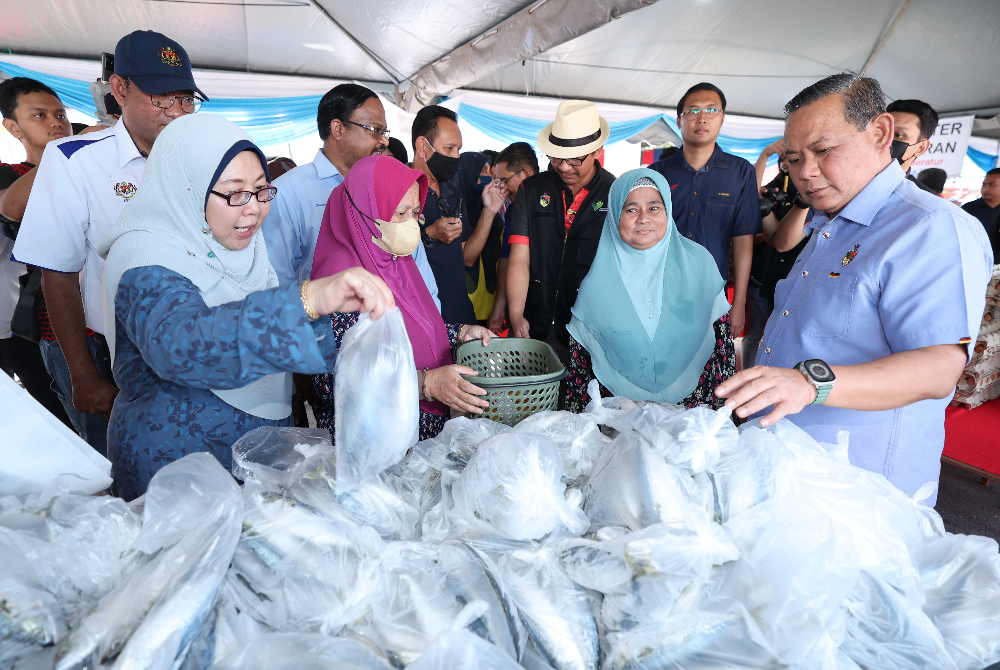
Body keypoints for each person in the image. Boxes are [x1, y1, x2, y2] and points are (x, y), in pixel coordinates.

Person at [717, 72, 992, 504]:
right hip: (788, 472)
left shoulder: (929, 228)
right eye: (793, 158)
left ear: (881, 133)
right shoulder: (829, 224)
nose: (806, 172)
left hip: (859, 493)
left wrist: (809, 384)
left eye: (823, 150)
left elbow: (940, 368)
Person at [96, 113, 393, 501]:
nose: (253, 209)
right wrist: (309, 298)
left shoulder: (244, 247)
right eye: (235, 193)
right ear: (185, 189)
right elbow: (183, 346)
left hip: (256, 457)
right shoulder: (144, 257)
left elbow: (275, 338)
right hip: (177, 468)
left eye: (261, 190)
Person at [12, 31, 206, 456]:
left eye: (187, 99)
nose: (177, 111)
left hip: (194, 346)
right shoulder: (75, 161)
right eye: (162, 97)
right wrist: (83, 375)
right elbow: (57, 272)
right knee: (121, 468)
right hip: (114, 356)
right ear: (120, 89)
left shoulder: (205, 158)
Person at [309, 154, 495, 441]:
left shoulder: (395, 260)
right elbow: (335, 382)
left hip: (420, 434)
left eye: (414, 213)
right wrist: (426, 384)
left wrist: (458, 333)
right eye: (400, 213)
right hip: (371, 442)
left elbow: (411, 328)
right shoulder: (339, 282)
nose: (411, 224)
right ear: (364, 211)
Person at [564, 169, 734, 413]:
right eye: (631, 209)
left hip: (696, 419)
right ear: (614, 216)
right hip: (621, 425)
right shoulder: (595, 286)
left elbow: (723, 352)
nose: (643, 218)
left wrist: (725, 418)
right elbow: (581, 376)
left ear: (668, 212)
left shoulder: (701, 265)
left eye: (654, 208)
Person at [648, 83, 761, 340]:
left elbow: (743, 241)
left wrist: (739, 302)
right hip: (660, 293)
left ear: (722, 118)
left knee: (709, 374)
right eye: (693, 111)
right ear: (679, 120)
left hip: (713, 298)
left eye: (711, 110)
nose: (701, 118)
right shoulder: (657, 173)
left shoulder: (741, 173)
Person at [506, 100, 615, 363]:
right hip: (533, 323)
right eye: (556, 156)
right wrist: (517, 314)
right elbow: (520, 258)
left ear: (598, 151)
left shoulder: (615, 194)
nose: (564, 166)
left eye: (575, 158)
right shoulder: (530, 191)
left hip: (588, 329)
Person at [0, 77, 72, 427]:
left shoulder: (86, 169)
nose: (56, 122)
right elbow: (10, 212)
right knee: (62, 410)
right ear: (12, 127)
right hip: (37, 320)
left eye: (60, 114)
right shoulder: (9, 176)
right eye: (40, 115)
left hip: (100, 312)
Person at [743, 140, 811, 367]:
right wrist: (764, 155)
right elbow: (750, 198)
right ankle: (749, 378)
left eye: (797, 160)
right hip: (766, 275)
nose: (793, 166)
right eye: (790, 160)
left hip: (797, 279)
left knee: (788, 339)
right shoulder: (779, 186)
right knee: (755, 334)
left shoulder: (816, 198)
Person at [412, 105, 477, 323]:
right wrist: (428, 234)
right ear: (422, 146)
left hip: (460, 311)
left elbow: (466, 255)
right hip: (422, 315)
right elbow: (384, 256)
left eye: (458, 149)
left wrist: (489, 210)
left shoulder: (453, 193)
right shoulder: (400, 192)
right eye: (449, 148)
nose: (456, 157)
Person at [487, 142, 538, 333]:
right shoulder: (512, 211)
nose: (502, 189)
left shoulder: (556, 203)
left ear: (526, 174)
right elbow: (508, 258)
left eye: (504, 180)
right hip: (521, 309)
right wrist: (500, 307)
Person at [456, 151, 507, 323]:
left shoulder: (493, 209)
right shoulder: (456, 212)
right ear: (467, 173)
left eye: (489, 172)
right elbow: (468, 259)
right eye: (483, 171)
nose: (488, 177)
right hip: (468, 304)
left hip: (492, 304)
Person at [886, 98, 939, 194]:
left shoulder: (923, 201)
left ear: (921, 148)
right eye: (881, 131)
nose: (884, 139)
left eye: (898, 135)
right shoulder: (854, 180)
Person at [962, 168, 1000, 259]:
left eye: (991, 185)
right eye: (984, 184)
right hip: (972, 260)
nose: (985, 189)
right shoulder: (968, 209)